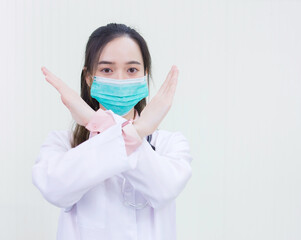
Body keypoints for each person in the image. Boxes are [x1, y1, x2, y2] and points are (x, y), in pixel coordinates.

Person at [32, 23, 193, 240]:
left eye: (132, 70)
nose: (119, 79)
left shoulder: (170, 144)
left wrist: (97, 122)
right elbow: (55, 189)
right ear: (89, 77)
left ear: (144, 75)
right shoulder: (62, 144)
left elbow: (163, 190)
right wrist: (132, 132)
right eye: (107, 69)